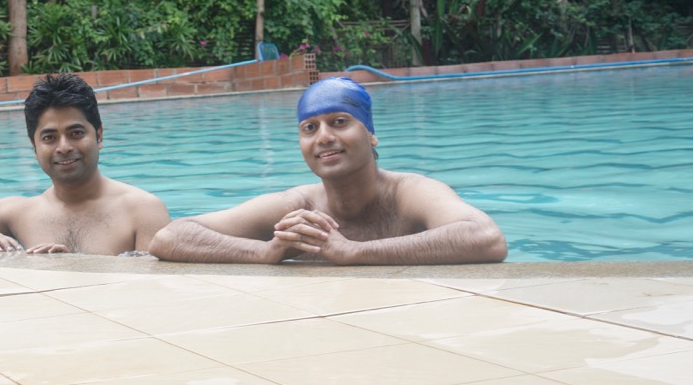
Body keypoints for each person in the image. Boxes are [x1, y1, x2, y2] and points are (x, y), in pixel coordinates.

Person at [149, 76, 507, 265]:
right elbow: (170, 237)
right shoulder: (297, 206)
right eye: (310, 128)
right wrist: (264, 252)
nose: (323, 138)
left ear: (370, 133)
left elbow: (486, 238)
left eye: (339, 122)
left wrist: (354, 252)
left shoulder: (411, 193)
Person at [0, 72, 171, 255]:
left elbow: (152, 288)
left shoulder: (142, 210)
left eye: (76, 133)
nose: (64, 147)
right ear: (34, 147)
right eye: (49, 138)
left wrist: (74, 268)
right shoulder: (20, 212)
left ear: (99, 136)